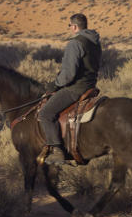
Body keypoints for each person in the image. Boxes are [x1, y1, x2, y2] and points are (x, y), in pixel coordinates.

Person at [37, 13, 101, 165]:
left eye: (70, 26)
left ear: (74, 27)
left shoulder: (75, 43)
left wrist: (55, 84)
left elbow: (68, 74)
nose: (70, 28)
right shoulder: (95, 42)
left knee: (46, 113)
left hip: (76, 89)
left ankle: (57, 150)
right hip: (90, 86)